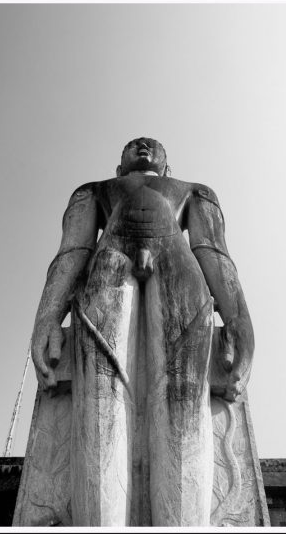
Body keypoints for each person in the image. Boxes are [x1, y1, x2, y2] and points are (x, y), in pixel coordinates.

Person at [29, 137, 254, 526]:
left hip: (178, 268)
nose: (144, 146)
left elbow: (212, 251)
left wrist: (237, 318)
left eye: (151, 146)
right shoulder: (94, 191)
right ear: (119, 169)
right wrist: (48, 316)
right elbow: (72, 251)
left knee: (183, 399)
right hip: (109, 264)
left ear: (168, 167)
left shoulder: (193, 192)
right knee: (100, 398)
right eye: (133, 146)